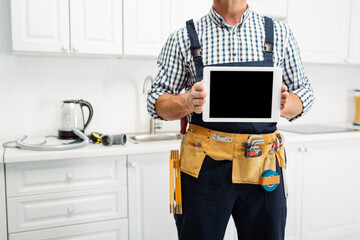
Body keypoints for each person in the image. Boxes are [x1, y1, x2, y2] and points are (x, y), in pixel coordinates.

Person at [147, 0, 314, 239]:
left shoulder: (279, 33)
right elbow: (155, 102)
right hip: (203, 166)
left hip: (263, 164)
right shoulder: (183, 37)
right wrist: (186, 102)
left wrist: (284, 105)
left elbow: (305, 92)